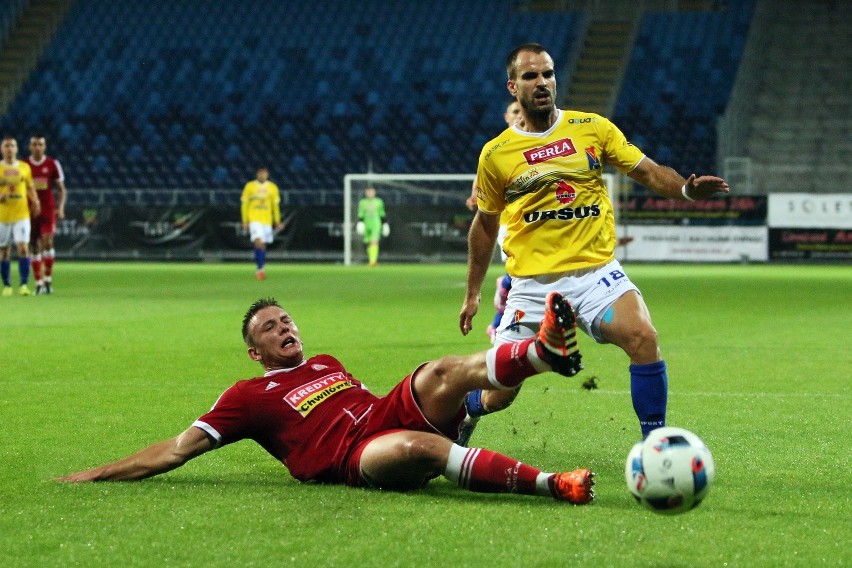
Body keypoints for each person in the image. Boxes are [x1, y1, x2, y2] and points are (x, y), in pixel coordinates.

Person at [56, 293, 595, 505]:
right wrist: (99, 473)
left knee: (441, 370)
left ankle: (546, 355)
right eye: (269, 328)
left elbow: (372, 404)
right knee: (414, 449)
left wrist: (457, 404)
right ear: (255, 352)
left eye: (285, 320)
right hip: (352, 457)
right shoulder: (249, 396)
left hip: (383, 413)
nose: (284, 328)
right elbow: (177, 449)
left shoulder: (327, 364)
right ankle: (553, 483)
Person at [459, 43, 730, 440]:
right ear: (512, 87)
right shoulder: (496, 154)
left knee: (643, 337)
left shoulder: (593, 127)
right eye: (530, 76)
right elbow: (484, 227)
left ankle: (654, 445)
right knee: (499, 395)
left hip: (595, 277)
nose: (542, 83)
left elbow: (651, 173)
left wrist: (687, 192)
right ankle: (466, 412)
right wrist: (472, 294)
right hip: (532, 288)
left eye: (548, 74)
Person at [23, 135, 67, 295]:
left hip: (48, 209)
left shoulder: (52, 164)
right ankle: (38, 282)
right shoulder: (24, 165)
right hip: (29, 210)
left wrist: (61, 207)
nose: (37, 147)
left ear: (45, 146)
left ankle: (48, 279)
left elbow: (61, 189)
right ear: (30, 146)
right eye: (34, 144)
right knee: (34, 246)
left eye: (40, 144)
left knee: (47, 242)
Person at [0, 136, 40, 297]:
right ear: (2, 149)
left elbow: (30, 187)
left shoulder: (25, 167)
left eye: (12, 146)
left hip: (21, 214)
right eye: (7, 145)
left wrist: (35, 201)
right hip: (2, 216)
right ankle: (7, 285)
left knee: (23, 247)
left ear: (16, 149)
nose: (10, 148)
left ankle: (23, 284)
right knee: (4, 251)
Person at [240, 167, 283, 279]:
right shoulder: (249, 187)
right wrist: (245, 220)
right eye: (260, 173)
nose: (262, 175)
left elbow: (275, 206)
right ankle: (260, 270)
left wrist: (277, 221)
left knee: (262, 245)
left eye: (264, 173)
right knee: (258, 241)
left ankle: (261, 268)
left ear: (267, 175)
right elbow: (244, 205)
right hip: (254, 219)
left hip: (267, 221)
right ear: (257, 174)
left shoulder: (273, 188)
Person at [356, 186, 389, 267]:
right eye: (368, 192)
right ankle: (371, 260)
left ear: (374, 193)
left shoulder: (379, 202)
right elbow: (361, 213)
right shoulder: (362, 202)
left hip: (376, 224)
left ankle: (372, 261)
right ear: (366, 193)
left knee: (374, 241)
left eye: (372, 192)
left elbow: (382, 213)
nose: (370, 194)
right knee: (369, 243)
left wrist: (385, 223)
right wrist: (360, 222)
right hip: (367, 224)